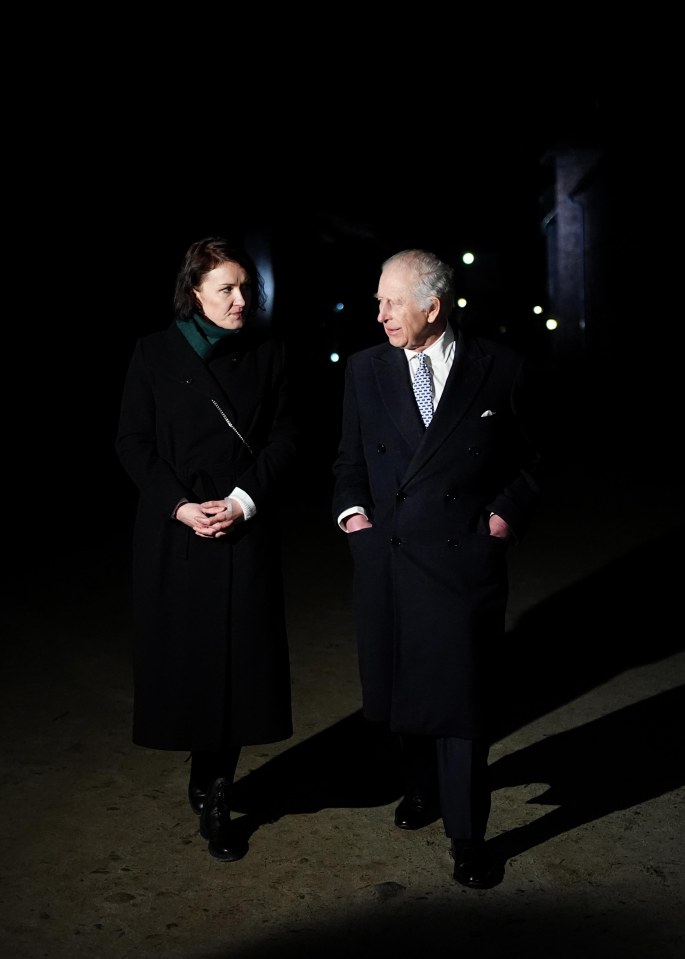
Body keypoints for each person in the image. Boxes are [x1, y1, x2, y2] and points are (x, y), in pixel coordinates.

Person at [332, 248, 543, 888]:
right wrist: (352, 519)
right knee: (401, 690)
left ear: (434, 305)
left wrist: (503, 518)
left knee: (462, 703)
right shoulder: (365, 371)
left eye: (391, 302)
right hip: (389, 560)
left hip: (461, 564)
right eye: (377, 300)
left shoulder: (499, 368)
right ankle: (420, 787)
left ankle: (468, 836)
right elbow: (348, 463)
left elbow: (532, 461)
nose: (380, 315)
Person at [115, 235, 297, 862]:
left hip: (243, 527)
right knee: (191, 661)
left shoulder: (269, 355)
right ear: (193, 292)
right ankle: (202, 765)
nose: (241, 299)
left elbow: (287, 437)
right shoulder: (154, 354)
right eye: (226, 289)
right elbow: (133, 442)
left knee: (240, 666)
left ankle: (219, 792)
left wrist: (245, 500)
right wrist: (180, 506)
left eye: (247, 288)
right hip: (176, 534)